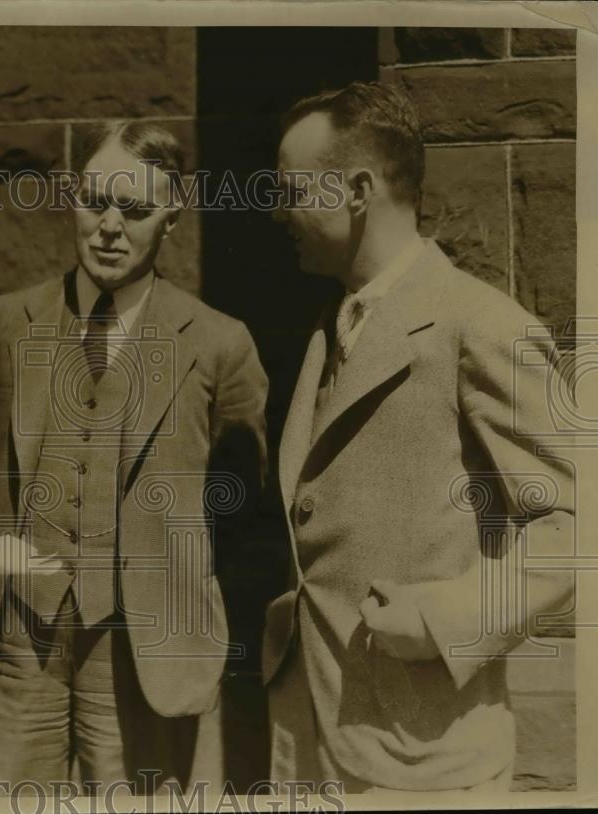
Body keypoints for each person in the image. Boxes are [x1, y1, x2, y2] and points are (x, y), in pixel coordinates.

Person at [264, 81, 575, 792]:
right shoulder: (328, 328)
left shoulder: (480, 325)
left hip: (422, 757)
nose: (278, 213)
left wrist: (447, 619)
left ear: (357, 190)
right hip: (309, 732)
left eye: (291, 191)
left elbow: (576, 531)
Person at [0, 121, 268, 790]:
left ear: (172, 219)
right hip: (26, 634)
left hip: (143, 646)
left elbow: (242, 515)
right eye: (94, 201)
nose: (108, 226)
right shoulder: (7, 321)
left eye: (133, 210)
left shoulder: (220, 343)